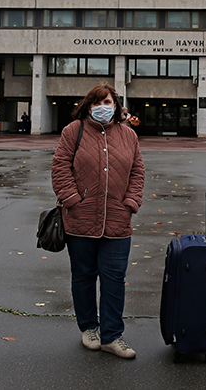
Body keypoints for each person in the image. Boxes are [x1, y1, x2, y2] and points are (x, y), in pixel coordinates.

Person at [50, 83, 145, 359]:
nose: (103, 107)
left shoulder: (128, 135)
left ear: (116, 106)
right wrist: (72, 200)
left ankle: (112, 336)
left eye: (108, 102)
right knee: (83, 277)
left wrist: (131, 202)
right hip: (80, 219)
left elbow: (138, 171)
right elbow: (60, 166)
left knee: (115, 278)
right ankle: (89, 327)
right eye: (98, 102)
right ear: (88, 105)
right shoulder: (74, 131)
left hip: (118, 219)